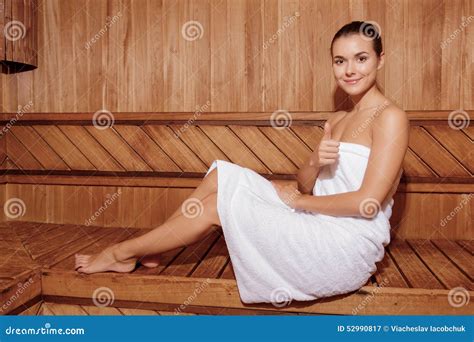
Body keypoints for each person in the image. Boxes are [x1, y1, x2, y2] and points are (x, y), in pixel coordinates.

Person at [75, 21, 409, 305]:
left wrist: (300, 200)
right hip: (316, 217)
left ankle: (121, 253)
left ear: (381, 59)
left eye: (361, 58)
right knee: (223, 173)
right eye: (340, 61)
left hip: (343, 247)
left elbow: (367, 204)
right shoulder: (338, 118)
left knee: (215, 208)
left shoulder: (390, 117)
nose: (350, 70)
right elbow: (305, 181)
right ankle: (157, 248)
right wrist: (314, 160)